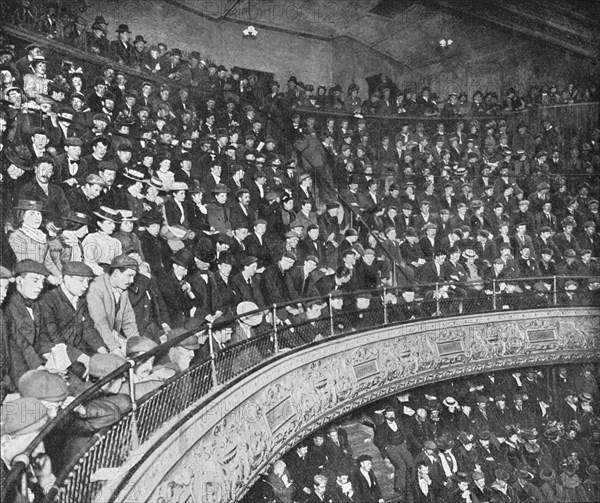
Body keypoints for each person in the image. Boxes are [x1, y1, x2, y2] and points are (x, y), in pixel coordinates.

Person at [38, 261, 108, 379]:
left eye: (88, 281)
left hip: (76, 350)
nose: (86, 286)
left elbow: (88, 329)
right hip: (56, 353)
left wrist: (104, 353)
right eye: (81, 281)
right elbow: (55, 338)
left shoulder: (80, 299)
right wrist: (85, 359)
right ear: (66, 279)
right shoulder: (48, 300)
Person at [86, 254, 140, 356]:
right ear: (116, 272)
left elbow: (128, 321)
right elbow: (100, 323)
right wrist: (114, 348)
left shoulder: (122, 288)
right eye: (130, 276)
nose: (132, 281)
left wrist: (136, 346)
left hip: (110, 335)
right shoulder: (96, 287)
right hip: (95, 341)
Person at [373, 406, 415, 499]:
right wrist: (385, 456)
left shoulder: (399, 423)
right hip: (391, 448)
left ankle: (410, 483)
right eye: (389, 414)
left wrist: (405, 442)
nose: (391, 416)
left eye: (393, 414)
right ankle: (399, 487)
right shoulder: (381, 427)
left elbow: (405, 432)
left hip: (402, 445)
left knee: (410, 463)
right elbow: (378, 442)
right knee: (401, 466)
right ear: (385, 416)